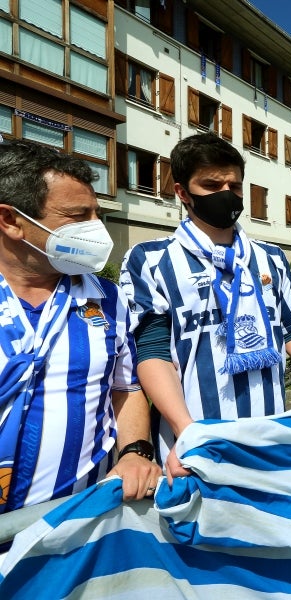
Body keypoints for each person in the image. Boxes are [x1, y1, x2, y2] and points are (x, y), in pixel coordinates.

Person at [121, 134, 291, 478]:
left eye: (235, 186)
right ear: (182, 193)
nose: (226, 193)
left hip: (270, 438)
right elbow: (152, 352)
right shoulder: (150, 259)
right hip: (195, 445)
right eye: (211, 185)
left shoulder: (271, 258)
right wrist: (187, 430)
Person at [0, 140, 160, 516]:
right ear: (10, 221)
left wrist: (135, 452)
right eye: (78, 216)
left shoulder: (108, 299)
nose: (97, 229)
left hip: (82, 521)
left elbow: (125, 387)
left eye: (96, 214)